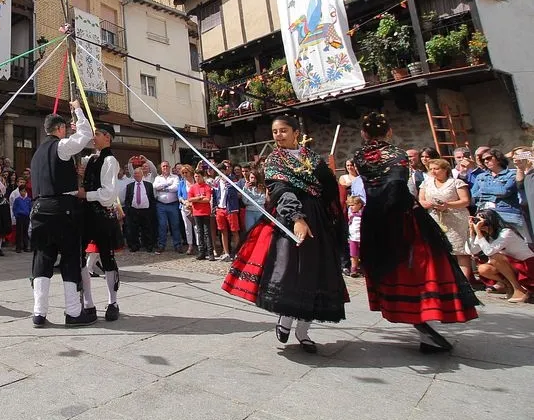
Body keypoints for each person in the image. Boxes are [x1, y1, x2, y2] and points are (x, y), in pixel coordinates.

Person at [352, 112, 479, 353]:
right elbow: (397, 186)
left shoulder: (359, 156)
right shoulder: (398, 154)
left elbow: (378, 185)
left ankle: (418, 323)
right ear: (389, 132)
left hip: (374, 216)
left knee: (393, 268)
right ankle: (425, 317)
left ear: (363, 134)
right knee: (420, 266)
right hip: (402, 216)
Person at [223, 115, 347, 353]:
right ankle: (285, 319)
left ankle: (304, 331)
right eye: (275, 131)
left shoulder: (311, 157)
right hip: (289, 217)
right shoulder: (274, 159)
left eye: (283, 130)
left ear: (295, 132)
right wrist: (297, 218)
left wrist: (332, 208)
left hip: (318, 218)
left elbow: (329, 188)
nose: (278, 135)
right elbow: (280, 189)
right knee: (291, 270)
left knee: (317, 271)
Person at [28, 100, 95, 327]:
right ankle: (74, 312)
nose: (66, 131)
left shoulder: (37, 153)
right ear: (59, 129)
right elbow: (86, 134)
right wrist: (77, 108)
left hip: (38, 210)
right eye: (65, 128)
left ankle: (39, 312)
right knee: (69, 257)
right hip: (62, 209)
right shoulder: (61, 146)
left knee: (42, 258)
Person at [79, 123, 124, 322]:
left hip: (102, 216)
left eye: (96, 134)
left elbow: (108, 195)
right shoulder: (92, 159)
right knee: (81, 258)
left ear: (108, 137)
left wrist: (85, 194)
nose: (93, 137)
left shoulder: (110, 160)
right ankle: (87, 302)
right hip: (87, 215)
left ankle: (112, 302)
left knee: (107, 258)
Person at [467, 209, 531, 303]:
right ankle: (510, 286)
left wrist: (478, 232)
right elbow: (471, 251)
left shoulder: (506, 232)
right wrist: (472, 233)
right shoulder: (485, 235)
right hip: (512, 266)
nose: (478, 223)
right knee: (483, 268)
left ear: (490, 220)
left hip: (527, 266)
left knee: (495, 257)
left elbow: (489, 252)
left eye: (481, 220)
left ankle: (519, 289)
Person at [187, 170, 215, 261]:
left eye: (198, 176)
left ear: (202, 176)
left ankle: (210, 253)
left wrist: (196, 200)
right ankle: (201, 252)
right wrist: (199, 198)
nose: (197, 178)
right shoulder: (193, 187)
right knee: (200, 232)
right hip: (196, 212)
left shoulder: (207, 187)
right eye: (195, 176)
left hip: (205, 212)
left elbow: (207, 199)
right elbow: (190, 199)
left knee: (207, 232)